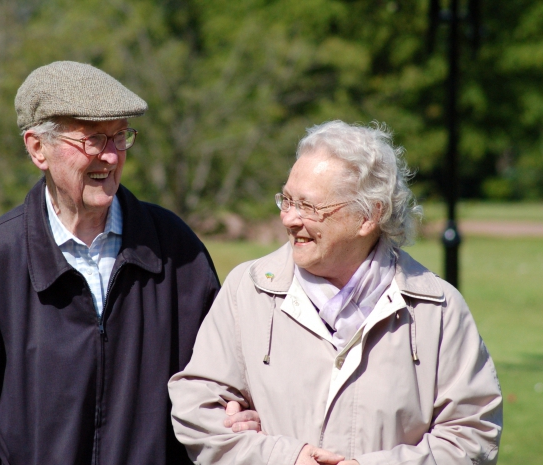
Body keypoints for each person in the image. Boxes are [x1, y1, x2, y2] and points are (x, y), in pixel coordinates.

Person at [0, 61, 221, 465]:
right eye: (93, 140)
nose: (110, 157)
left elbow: (221, 388)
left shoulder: (175, 249)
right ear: (38, 147)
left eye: (119, 137)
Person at [168, 120, 503, 465]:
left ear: (368, 216)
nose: (289, 219)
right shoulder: (248, 290)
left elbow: (473, 434)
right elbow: (198, 406)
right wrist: (284, 458)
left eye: (309, 207)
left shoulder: (437, 307)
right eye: (287, 200)